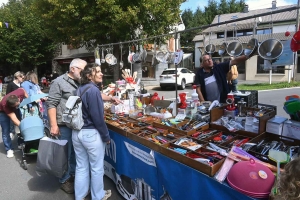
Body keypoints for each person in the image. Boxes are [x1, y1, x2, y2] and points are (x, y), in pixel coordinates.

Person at [46, 58, 87, 194]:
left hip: (77, 124)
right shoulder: (58, 82)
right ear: (73, 69)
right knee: (64, 154)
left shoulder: (81, 82)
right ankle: (64, 179)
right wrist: (53, 125)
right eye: (82, 69)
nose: (85, 72)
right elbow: (51, 104)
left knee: (75, 152)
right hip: (63, 125)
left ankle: (73, 174)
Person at [72, 63, 112, 200]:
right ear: (89, 76)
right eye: (98, 72)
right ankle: (98, 196)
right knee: (96, 169)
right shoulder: (93, 91)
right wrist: (106, 136)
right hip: (90, 134)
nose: (102, 74)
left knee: (81, 167)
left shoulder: (80, 88)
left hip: (77, 133)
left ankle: (80, 196)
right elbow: (98, 118)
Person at [0, 88, 28, 158]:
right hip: (2, 112)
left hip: (14, 109)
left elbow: (23, 90)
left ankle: (21, 142)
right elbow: (15, 120)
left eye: (17, 104)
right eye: (15, 106)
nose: (16, 106)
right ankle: (9, 149)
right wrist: (25, 128)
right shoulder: (5, 104)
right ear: (10, 105)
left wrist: (28, 98)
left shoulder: (20, 92)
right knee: (6, 130)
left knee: (20, 124)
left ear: (18, 98)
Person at [6, 71, 25, 141]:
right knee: (13, 120)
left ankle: (20, 138)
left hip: (21, 106)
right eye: (22, 78)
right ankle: (12, 132)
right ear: (17, 77)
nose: (23, 79)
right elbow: (7, 95)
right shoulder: (11, 84)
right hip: (13, 106)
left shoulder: (22, 85)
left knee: (20, 120)